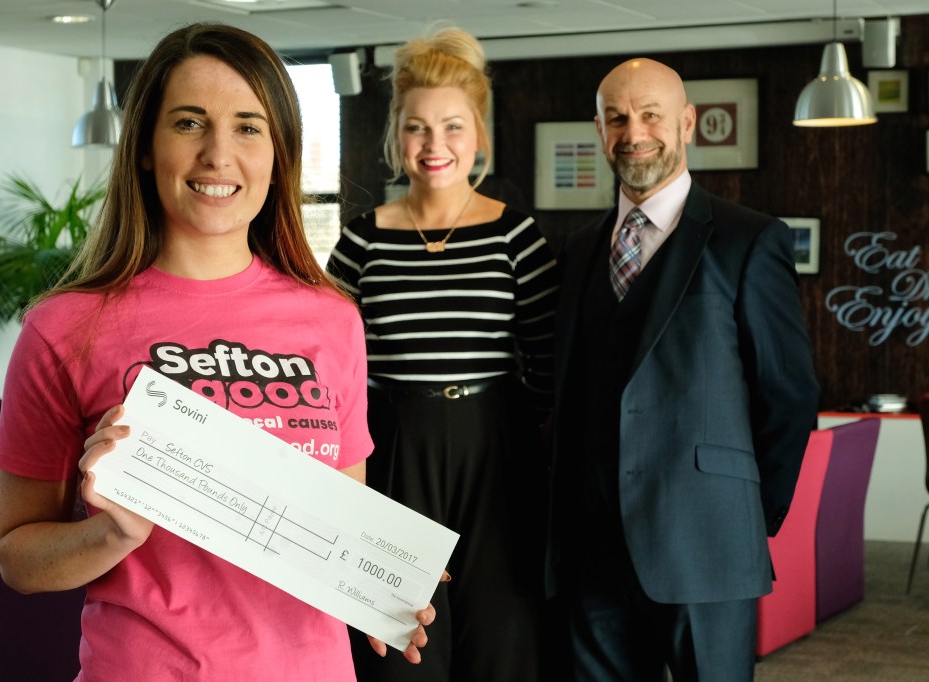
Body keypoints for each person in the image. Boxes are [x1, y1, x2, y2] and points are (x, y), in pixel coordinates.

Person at [0, 23, 435, 681]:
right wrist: (110, 534)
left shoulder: (332, 319)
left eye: (248, 127)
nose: (218, 154)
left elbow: (342, 526)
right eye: (189, 123)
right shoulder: (65, 328)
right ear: (146, 148)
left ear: (280, 155)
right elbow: (18, 560)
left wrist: (376, 589)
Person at [548, 57, 820, 681]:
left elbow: (789, 393)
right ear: (599, 130)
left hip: (708, 541)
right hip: (591, 550)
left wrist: (744, 512)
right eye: (617, 118)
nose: (634, 132)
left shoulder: (747, 240)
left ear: (688, 123)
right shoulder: (580, 249)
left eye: (651, 115)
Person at [326, 26, 559, 682]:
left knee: (503, 642)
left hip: (499, 452)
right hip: (394, 449)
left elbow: (547, 365)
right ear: (395, 136)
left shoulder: (516, 236)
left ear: (478, 134)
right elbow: (331, 369)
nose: (435, 145)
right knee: (404, 646)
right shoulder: (361, 242)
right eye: (417, 128)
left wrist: (515, 435)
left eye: (453, 127)